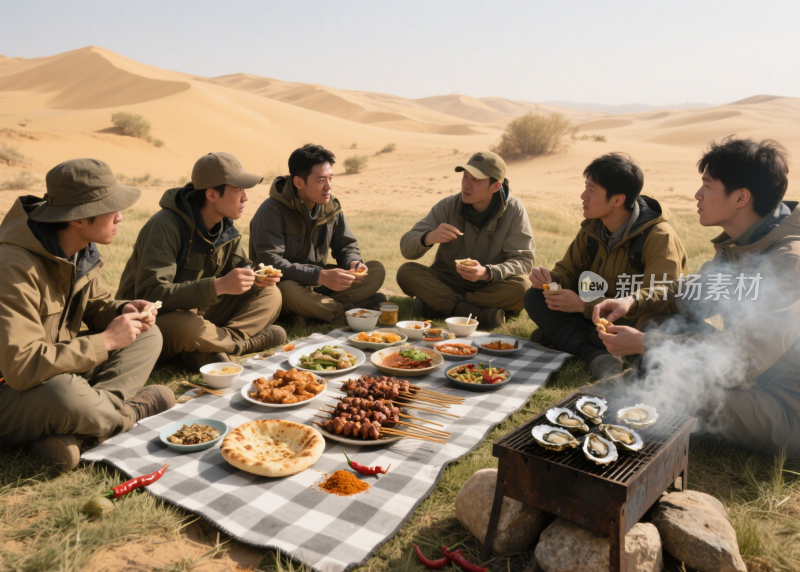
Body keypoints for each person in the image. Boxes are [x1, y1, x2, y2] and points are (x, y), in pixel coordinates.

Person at [592, 138, 800, 458]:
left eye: (707, 186)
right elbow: (688, 291)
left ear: (741, 197)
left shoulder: (790, 262)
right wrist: (632, 301)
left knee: (678, 375)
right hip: (749, 384)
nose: (697, 195)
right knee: (661, 325)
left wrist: (646, 344)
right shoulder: (740, 245)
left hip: (785, 406)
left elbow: (740, 359)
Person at [0, 158, 173, 472]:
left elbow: (97, 307)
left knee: (147, 336)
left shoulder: (77, 249)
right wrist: (105, 341)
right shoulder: (13, 265)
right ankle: (129, 414)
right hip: (10, 391)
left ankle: (78, 428)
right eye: (111, 207)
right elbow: (20, 367)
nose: (120, 216)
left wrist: (123, 310)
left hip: (56, 371)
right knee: (63, 393)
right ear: (78, 218)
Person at [524, 153, 688, 379]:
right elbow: (568, 271)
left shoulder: (658, 236)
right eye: (585, 188)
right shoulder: (592, 229)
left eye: (591, 190)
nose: (583, 196)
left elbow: (661, 294)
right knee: (534, 297)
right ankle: (593, 352)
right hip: (591, 314)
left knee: (655, 325)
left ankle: (567, 338)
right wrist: (551, 280)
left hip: (632, 319)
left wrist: (585, 307)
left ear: (618, 200)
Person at [117, 152, 285, 370]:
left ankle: (213, 347)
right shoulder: (165, 226)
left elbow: (240, 267)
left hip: (203, 312)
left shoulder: (225, 224)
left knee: (271, 294)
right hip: (157, 318)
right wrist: (218, 286)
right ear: (212, 195)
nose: (245, 198)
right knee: (187, 328)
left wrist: (255, 279)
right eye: (238, 191)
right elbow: (150, 294)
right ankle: (239, 344)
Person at [249, 144, 386, 325]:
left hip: (320, 284)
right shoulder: (271, 210)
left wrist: (353, 263)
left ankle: (312, 314)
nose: (328, 187)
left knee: (376, 270)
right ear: (299, 182)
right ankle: (344, 313)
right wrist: (318, 275)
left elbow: (346, 246)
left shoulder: (330, 207)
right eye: (321, 180)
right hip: (288, 284)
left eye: (330, 178)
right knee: (286, 290)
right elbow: (270, 262)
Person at [397, 151, 534, 329]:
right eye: (465, 177)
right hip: (448, 281)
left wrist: (487, 272)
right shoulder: (448, 206)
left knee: (524, 287)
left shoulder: (514, 211)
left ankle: (439, 306)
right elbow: (406, 247)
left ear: (495, 186)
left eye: (476, 180)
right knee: (406, 272)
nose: (466, 185)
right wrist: (429, 237)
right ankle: (476, 313)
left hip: (489, 286)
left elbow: (523, 261)